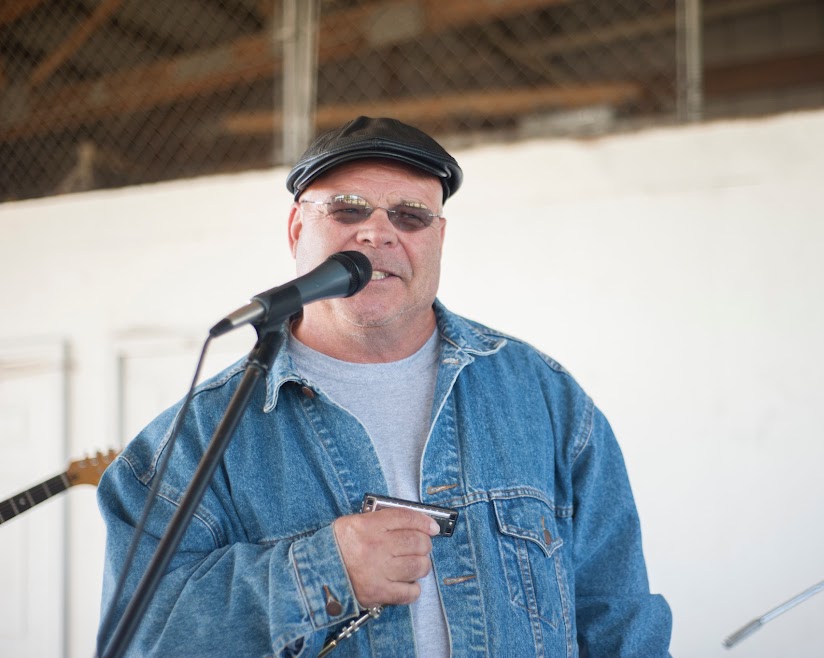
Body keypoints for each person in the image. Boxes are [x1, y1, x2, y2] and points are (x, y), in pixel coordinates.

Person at [97, 116, 673, 657]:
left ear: (438, 238)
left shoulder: (547, 401)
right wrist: (324, 571)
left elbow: (621, 619)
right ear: (298, 228)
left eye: (410, 216)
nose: (378, 232)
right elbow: (136, 638)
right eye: (348, 211)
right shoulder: (193, 439)